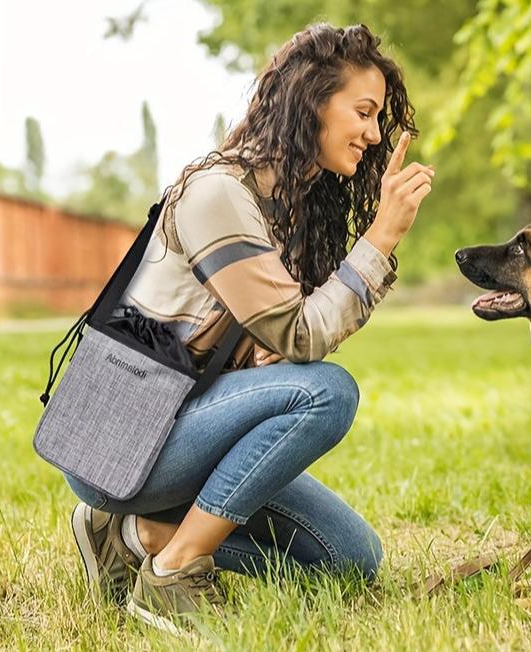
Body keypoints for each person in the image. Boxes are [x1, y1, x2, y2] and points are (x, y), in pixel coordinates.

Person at [64, 22, 434, 633]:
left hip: (186, 420)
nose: (374, 133)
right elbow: (305, 337)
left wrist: (260, 350)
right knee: (327, 391)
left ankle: (138, 532)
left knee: (351, 563)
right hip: (121, 440)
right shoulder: (220, 194)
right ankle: (176, 567)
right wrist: (382, 237)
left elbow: (285, 332)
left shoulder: (286, 205)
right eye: (363, 112)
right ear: (312, 100)